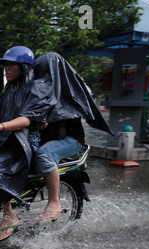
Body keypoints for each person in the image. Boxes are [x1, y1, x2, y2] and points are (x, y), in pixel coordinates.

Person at [25, 52, 114, 220]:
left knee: (44, 156)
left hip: (69, 140)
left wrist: (46, 117)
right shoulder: (34, 89)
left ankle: (54, 201)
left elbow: (71, 108)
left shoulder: (71, 89)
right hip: (45, 138)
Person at [0, 46, 38, 242]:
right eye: (6, 65)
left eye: (12, 65)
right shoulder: (9, 89)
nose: (7, 69)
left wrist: (0, 126)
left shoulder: (33, 89)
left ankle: (9, 213)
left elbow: (27, 119)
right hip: (4, 139)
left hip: (22, 143)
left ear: (25, 67)